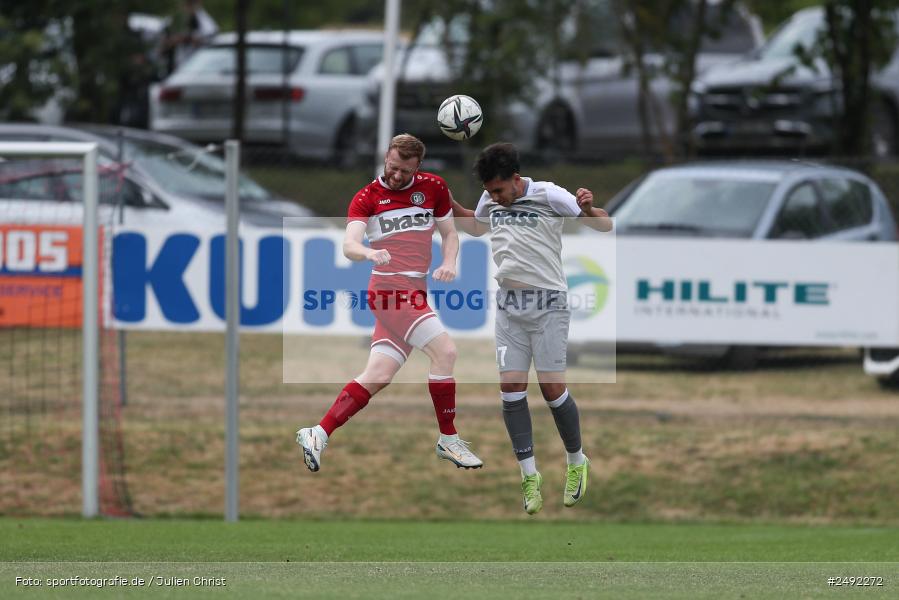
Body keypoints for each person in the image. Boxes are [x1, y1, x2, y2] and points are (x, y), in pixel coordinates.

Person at [296, 134, 484, 473]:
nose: (397, 176)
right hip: (388, 290)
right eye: (393, 168)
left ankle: (318, 432)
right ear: (386, 157)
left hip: (414, 291)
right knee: (446, 353)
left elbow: (451, 233)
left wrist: (450, 263)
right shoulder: (367, 198)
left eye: (405, 171)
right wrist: (369, 251)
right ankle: (449, 439)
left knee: (378, 375)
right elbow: (349, 245)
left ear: (418, 167)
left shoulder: (434, 188)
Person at [452, 142, 612, 515]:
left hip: (549, 305)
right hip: (509, 306)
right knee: (510, 389)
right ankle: (529, 475)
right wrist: (448, 204)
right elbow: (476, 228)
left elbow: (602, 224)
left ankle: (576, 461)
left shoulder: (548, 193)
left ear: (515, 179)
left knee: (552, 388)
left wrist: (587, 208)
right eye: (489, 192)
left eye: (499, 191)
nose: (494, 198)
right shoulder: (490, 199)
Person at [160, 0, 219, 75]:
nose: (185, 8)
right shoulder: (185, 18)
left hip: (197, 65)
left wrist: (184, 39)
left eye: (187, 4)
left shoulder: (201, 17)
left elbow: (209, 33)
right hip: (183, 64)